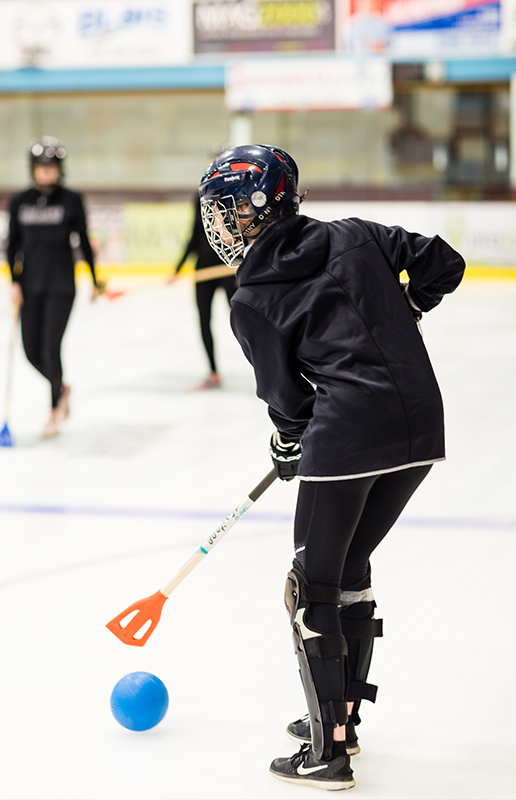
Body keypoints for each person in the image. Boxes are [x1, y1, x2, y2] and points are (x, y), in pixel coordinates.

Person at [198, 144, 465, 790]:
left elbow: (288, 404)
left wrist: (291, 444)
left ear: (260, 209)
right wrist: (411, 308)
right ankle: (340, 717)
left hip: (349, 436)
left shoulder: (252, 297)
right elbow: (444, 263)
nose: (222, 226)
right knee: (348, 567)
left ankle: (328, 753)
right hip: (422, 424)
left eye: (229, 212)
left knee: (309, 588)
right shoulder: (355, 234)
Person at [6, 136, 100, 437]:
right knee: (30, 350)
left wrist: (95, 279)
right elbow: (13, 245)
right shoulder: (19, 201)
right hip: (30, 285)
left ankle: (53, 412)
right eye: (41, 167)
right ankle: (61, 387)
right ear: (33, 169)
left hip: (61, 285)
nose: (46, 172)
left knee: (50, 347)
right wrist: (14, 282)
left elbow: (83, 241)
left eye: (51, 167)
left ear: (60, 169)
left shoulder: (71, 200)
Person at [169, 155, 238, 391]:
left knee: (242, 320)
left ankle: (266, 365)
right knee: (203, 321)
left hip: (229, 268)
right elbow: (195, 235)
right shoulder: (200, 197)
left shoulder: (239, 197)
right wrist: (177, 269)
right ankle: (213, 372)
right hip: (203, 269)